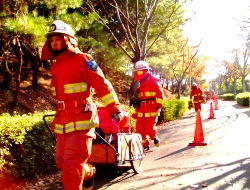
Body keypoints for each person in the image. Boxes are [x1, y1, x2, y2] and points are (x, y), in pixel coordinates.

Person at [41, 20, 123, 190]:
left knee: (72, 165)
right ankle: (89, 172)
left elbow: (102, 85)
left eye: (57, 39)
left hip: (82, 118)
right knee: (61, 161)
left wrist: (114, 108)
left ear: (68, 39)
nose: (54, 43)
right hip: (63, 120)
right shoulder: (56, 66)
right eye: (51, 40)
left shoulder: (83, 60)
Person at [129, 60, 163, 151]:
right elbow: (140, 98)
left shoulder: (153, 80)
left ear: (146, 71)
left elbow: (160, 94)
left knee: (149, 130)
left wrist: (158, 105)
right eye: (137, 72)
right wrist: (136, 107)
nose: (138, 74)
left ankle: (154, 137)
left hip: (151, 108)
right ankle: (145, 145)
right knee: (139, 129)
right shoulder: (140, 83)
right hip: (141, 109)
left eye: (140, 71)